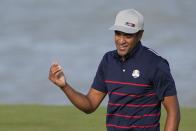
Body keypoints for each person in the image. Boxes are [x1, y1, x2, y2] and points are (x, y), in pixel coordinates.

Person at [49, 9, 180, 131]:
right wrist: (64, 86)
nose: (121, 40)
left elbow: (173, 112)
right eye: (118, 33)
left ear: (140, 35)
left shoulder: (156, 63)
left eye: (128, 35)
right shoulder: (108, 60)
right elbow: (89, 105)